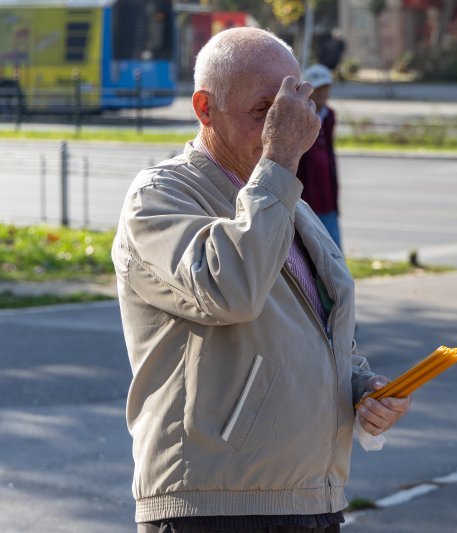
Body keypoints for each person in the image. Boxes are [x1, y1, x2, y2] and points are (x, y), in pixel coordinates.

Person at [112, 27, 411, 532]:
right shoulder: (160, 196)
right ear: (205, 108)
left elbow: (315, 327)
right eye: (263, 112)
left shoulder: (277, 193)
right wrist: (279, 162)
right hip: (214, 505)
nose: (284, 129)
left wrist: (361, 387)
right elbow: (233, 292)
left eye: (292, 110)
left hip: (310, 494)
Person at [297, 63, 342, 250]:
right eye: (318, 89)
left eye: (325, 88)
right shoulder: (298, 117)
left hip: (328, 201)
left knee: (335, 256)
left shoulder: (328, 116)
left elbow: (329, 157)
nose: (322, 94)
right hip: (307, 203)